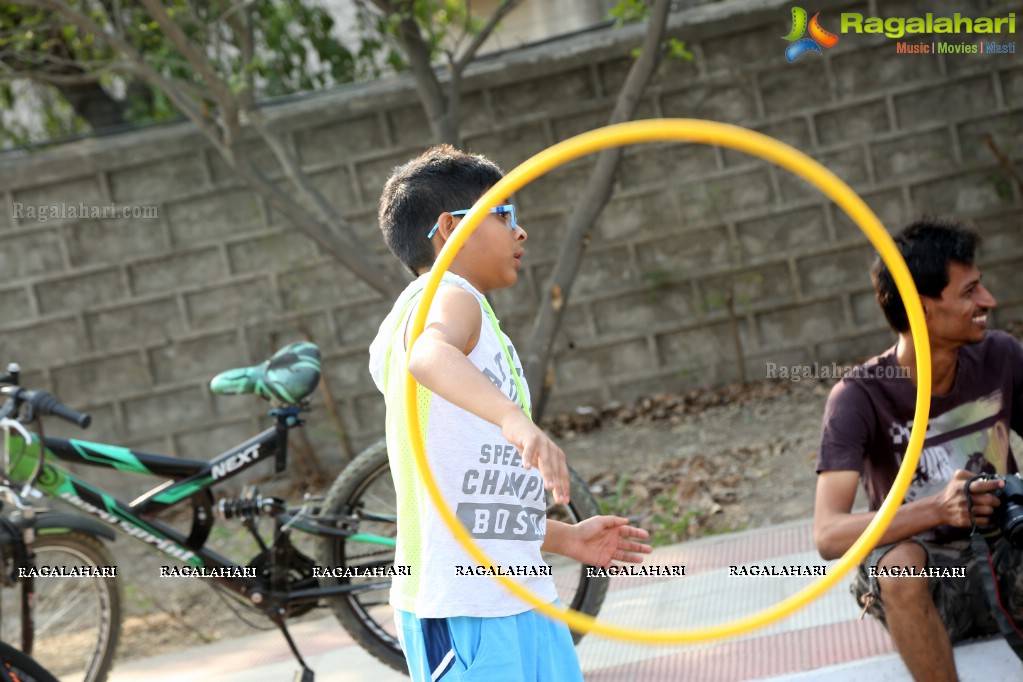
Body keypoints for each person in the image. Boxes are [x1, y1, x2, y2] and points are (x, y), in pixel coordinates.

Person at [368, 144, 652, 681]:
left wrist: (562, 538)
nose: (521, 233)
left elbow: (469, 497)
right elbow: (428, 354)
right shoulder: (447, 296)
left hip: (515, 591)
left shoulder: (466, 315)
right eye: (505, 215)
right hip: (461, 604)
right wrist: (515, 420)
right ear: (449, 228)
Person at [814, 216, 1023, 682]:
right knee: (899, 566)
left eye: (981, 287)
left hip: (1007, 560)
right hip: (936, 582)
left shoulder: (1002, 356)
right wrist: (937, 510)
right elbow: (828, 534)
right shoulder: (860, 396)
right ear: (922, 308)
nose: (987, 301)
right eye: (969, 292)